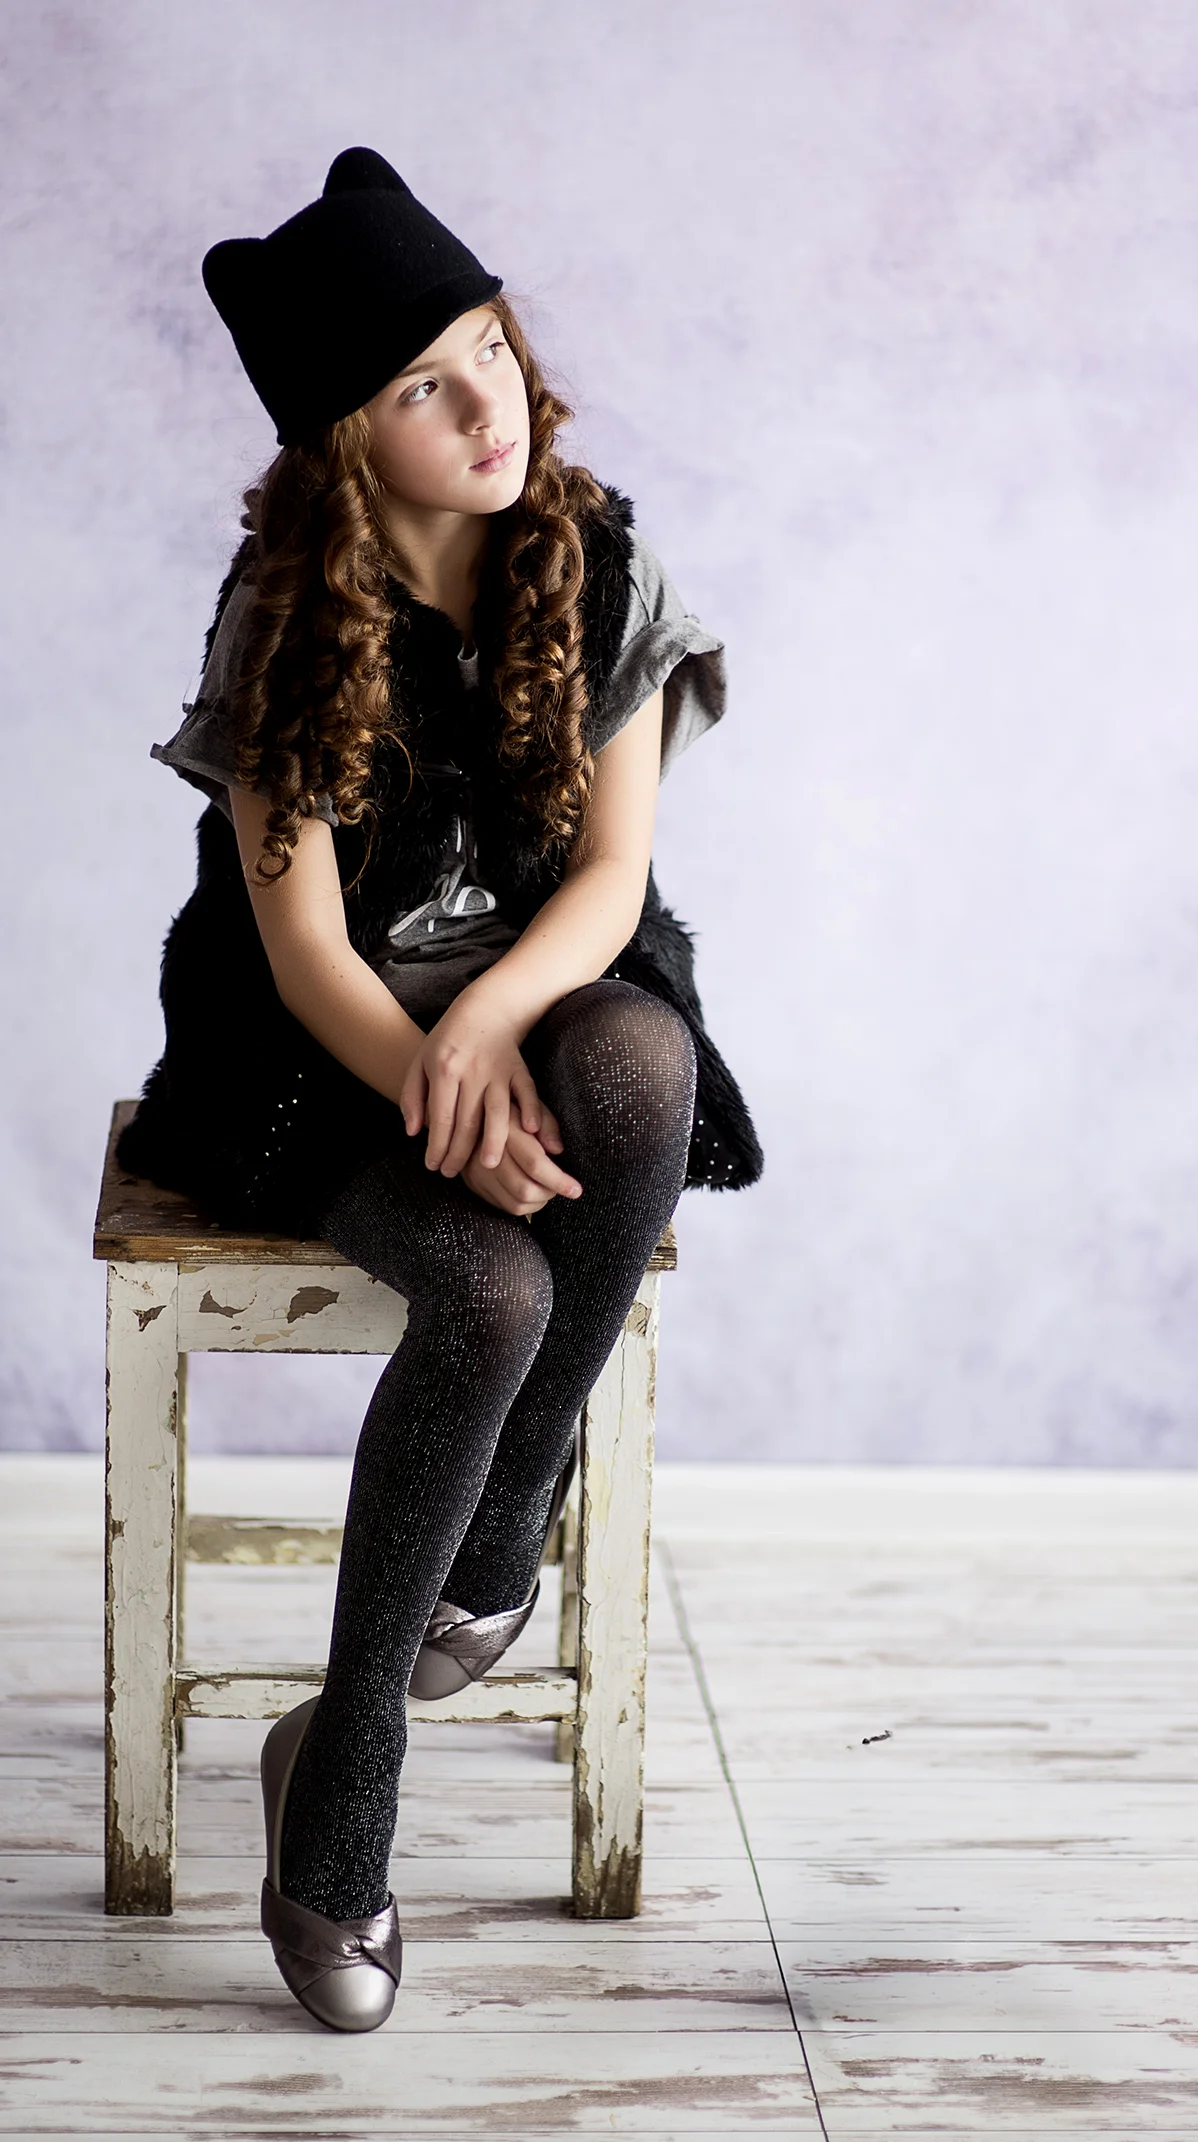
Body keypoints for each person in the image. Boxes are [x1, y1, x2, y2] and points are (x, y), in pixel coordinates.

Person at [120, 145, 761, 2032]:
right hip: (319, 1056)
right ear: (347, 441)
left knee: (641, 1065)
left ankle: (502, 1535)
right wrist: (428, 1070)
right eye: (423, 383)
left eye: (488, 344)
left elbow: (613, 878)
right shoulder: (283, 619)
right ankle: (345, 1784)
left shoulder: (601, 557)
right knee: (485, 1290)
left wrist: (491, 1030)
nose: (487, 404)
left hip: (536, 989)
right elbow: (309, 954)